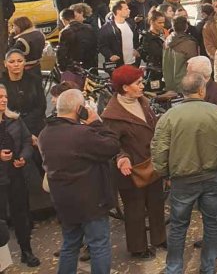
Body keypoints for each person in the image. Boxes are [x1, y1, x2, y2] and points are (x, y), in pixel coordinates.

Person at [152, 73, 217, 274]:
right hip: (212, 176)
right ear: (202, 90)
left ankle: (173, 268)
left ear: (183, 92)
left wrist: (165, 174)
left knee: (178, 226)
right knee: (212, 222)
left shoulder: (169, 117)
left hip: (182, 179)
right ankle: (208, 267)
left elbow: (159, 151)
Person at [39, 89, 120, 274]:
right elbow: (112, 145)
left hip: (64, 200)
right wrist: (97, 123)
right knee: (99, 245)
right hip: (91, 201)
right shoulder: (81, 133)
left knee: (70, 245)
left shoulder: (45, 134)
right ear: (79, 109)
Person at [101, 65, 166, 259]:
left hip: (151, 164)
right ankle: (138, 248)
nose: (141, 85)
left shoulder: (143, 102)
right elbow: (111, 144)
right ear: (124, 87)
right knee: (135, 210)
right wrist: (122, 158)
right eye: (137, 83)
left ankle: (159, 238)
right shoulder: (112, 115)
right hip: (131, 170)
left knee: (156, 204)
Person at [0, 83, 38, 267]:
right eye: (0, 97)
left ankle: (26, 251)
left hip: (16, 175)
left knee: (21, 214)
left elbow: (26, 140)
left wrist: (24, 157)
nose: (4, 99)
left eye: (5, 96)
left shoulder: (15, 120)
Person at [2, 49, 47, 137]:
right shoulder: (2, 83)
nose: (16, 64)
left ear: (24, 63)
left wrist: (25, 126)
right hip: (10, 127)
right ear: (5, 63)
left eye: (20, 61)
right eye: (11, 61)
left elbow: (41, 106)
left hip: (35, 126)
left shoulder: (35, 80)